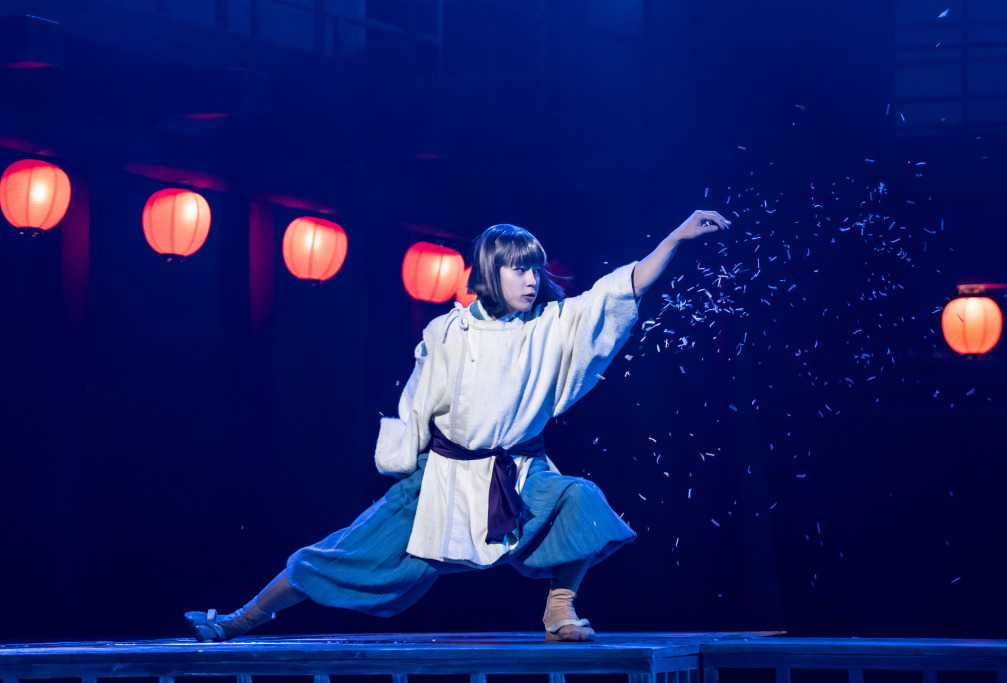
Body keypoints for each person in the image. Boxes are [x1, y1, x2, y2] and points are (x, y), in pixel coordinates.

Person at [185, 210, 729, 643]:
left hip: (520, 473)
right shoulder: (448, 331)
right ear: (491, 272)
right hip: (443, 477)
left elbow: (620, 290)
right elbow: (417, 405)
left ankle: (559, 609)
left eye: (535, 269)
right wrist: (406, 467)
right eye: (518, 269)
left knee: (578, 497)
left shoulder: (552, 325)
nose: (532, 280)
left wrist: (675, 238)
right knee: (343, 553)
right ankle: (240, 619)